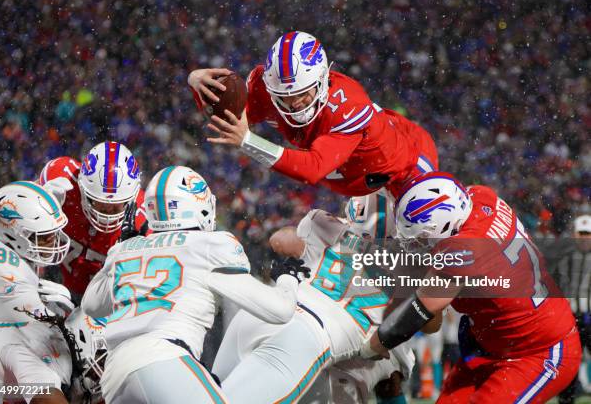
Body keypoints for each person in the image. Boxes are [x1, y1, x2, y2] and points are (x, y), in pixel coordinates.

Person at [81, 166, 310, 404]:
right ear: (198, 205)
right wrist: (288, 277)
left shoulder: (124, 249)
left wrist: (118, 256)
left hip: (114, 376)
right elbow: (280, 310)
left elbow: (92, 305)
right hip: (164, 359)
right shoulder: (208, 245)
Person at [362, 171, 582, 403]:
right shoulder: (480, 198)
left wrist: (370, 348)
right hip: (493, 345)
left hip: (538, 351)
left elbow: (420, 314)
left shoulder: (465, 248)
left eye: (421, 239)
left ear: (446, 224)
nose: (417, 246)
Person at [214, 191, 427, 404]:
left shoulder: (331, 228)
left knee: (209, 392)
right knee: (388, 378)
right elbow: (429, 322)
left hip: (266, 313)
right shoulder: (412, 265)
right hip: (316, 338)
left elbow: (279, 241)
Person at [188, 31, 438, 197]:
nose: (295, 103)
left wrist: (248, 142)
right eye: (285, 97)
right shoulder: (264, 88)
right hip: (357, 180)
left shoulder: (347, 106)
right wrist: (197, 85)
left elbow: (313, 168)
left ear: (322, 80)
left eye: (302, 93)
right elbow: (230, 121)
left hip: (406, 169)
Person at [0, 181, 73, 403]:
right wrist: (66, 319)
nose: (54, 241)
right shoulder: (5, 272)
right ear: (13, 233)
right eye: (44, 236)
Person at [38, 141, 145, 299]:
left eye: (116, 206)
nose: (108, 214)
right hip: (52, 282)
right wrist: (39, 208)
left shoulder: (144, 217)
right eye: (101, 204)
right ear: (83, 189)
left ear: (131, 198)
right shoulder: (62, 181)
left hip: (108, 302)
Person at [556, 214, 591, 403]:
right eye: (581, 234)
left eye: (588, 234)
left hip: (589, 315)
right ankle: (566, 398)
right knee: (570, 360)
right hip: (569, 319)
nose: (585, 238)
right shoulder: (565, 257)